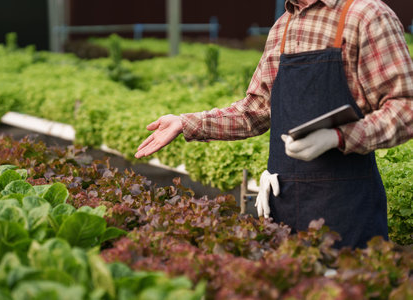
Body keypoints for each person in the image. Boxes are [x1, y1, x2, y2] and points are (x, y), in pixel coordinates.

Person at [135, 0, 413, 249]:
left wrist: (339, 137)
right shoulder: (284, 26)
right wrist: (185, 122)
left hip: (346, 209)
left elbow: (406, 107)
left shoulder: (366, 15)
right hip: (284, 204)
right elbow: (255, 111)